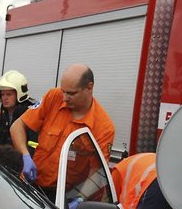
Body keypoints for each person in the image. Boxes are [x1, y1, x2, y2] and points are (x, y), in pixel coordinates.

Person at [10, 64, 115, 197]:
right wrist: (25, 155)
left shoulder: (103, 127)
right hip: (30, 184)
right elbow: (17, 127)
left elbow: (98, 173)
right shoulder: (54, 97)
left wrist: (80, 198)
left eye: (71, 93)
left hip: (63, 196)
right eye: (63, 91)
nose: (64, 98)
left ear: (89, 87)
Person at [0, 70, 36, 151]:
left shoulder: (31, 118)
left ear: (19, 94)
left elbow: (34, 147)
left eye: (9, 94)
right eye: (2, 94)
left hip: (23, 162)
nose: (4, 98)